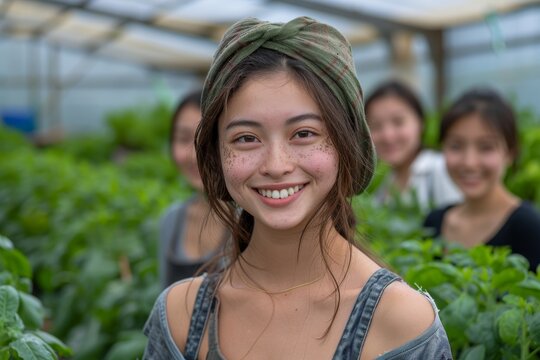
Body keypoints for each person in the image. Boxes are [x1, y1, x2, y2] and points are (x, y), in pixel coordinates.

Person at [144, 17, 452, 359]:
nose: (276, 165)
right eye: (246, 138)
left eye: (304, 133)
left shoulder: (401, 324)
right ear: (216, 154)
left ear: (346, 144)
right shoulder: (179, 318)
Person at [424, 88, 540, 271]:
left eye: (486, 147)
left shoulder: (529, 227)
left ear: (510, 153)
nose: (470, 163)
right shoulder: (434, 222)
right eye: (456, 146)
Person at [159, 89, 228, 288]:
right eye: (183, 138)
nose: (194, 155)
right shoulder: (171, 221)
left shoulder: (253, 223)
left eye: (207, 138)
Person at [365, 80, 462, 210]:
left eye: (398, 122)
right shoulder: (386, 185)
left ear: (421, 122)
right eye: (376, 126)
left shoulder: (441, 169)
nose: (388, 136)